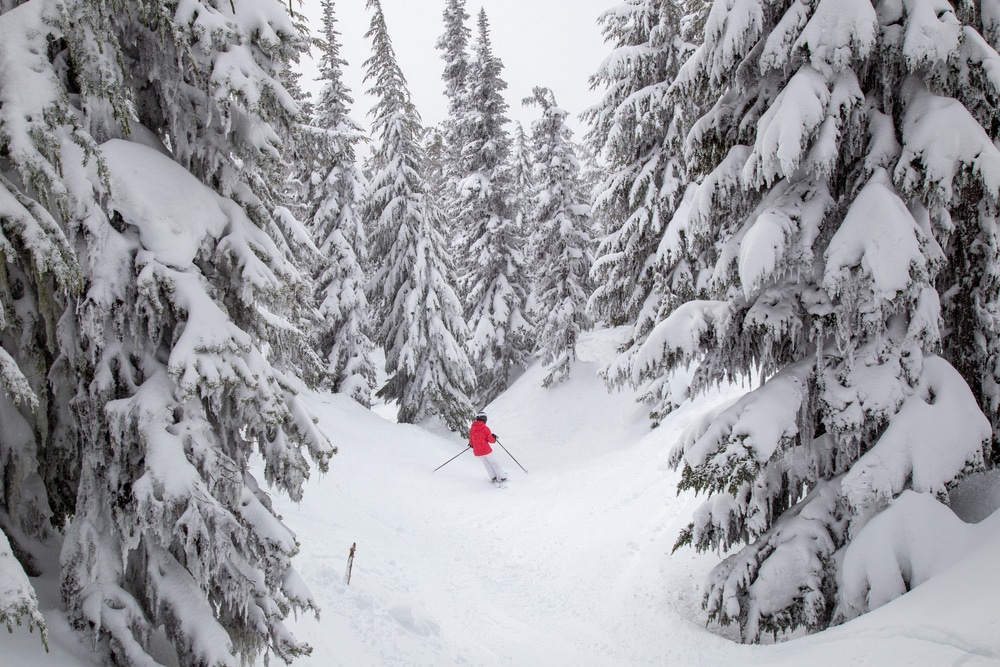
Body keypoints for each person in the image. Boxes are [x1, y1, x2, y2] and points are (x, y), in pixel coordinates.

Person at [468, 411, 507, 484]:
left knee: (486, 463)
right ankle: (502, 476)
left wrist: (471, 444)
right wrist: (494, 438)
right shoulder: (485, 428)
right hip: (486, 450)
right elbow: (491, 440)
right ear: (484, 419)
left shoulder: (472, 429)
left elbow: (471, 441)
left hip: (477, 451)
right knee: (493, 462)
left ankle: (493, 477)